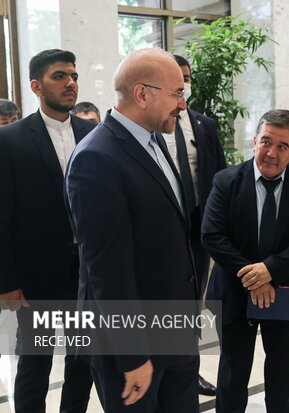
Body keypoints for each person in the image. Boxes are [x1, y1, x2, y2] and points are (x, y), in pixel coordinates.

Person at [64, 48, 200, 412]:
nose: (182, 105)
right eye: (176, 94)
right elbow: (107, 270)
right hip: (132, 347)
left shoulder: (156, 142)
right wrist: (133, 356)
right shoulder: (97, 157)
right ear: (142, 94)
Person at [202, 109, 289, 413]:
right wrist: (254, 277)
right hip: (234, 292)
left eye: (282, 146)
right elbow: (212, 235)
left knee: (282, 377)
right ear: (254, 140)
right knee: (232, 375)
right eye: (266, 142)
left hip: (285, 291)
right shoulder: (226, 180)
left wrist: (269, 270)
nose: (271, 153)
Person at [0, 49, 95, 413]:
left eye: (73, 75)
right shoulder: (10, 140)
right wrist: (6, 281)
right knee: (35, 362)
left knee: (82, 359)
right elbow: (2, 217)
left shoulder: (94, 133)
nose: (70, 83)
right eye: (60, 76)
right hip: (35, 275)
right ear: (37, 86)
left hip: (85, 270)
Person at [161, 54, 226, 397]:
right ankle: (165, 369)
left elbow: (220, 175)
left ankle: (190, 370)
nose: (183, 84)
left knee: (194, 304)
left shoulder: (204, 124)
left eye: (187, 77)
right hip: (165, 229)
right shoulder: (155, 124)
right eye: (177, 78)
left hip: (199, 227)